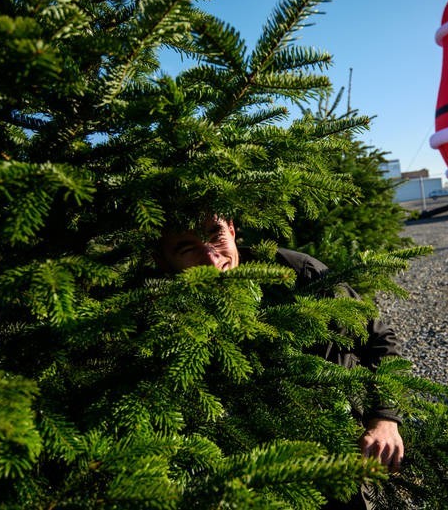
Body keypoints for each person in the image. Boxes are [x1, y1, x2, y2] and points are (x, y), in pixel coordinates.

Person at [155, 216, 404, 507]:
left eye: (216, 235)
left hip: (341, 454)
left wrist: (385, 418)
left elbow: (380, 339)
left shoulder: (296, 272)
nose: (211, 258)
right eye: (188, 249)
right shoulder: (159, 318)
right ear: (164, 262)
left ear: (233, 230)